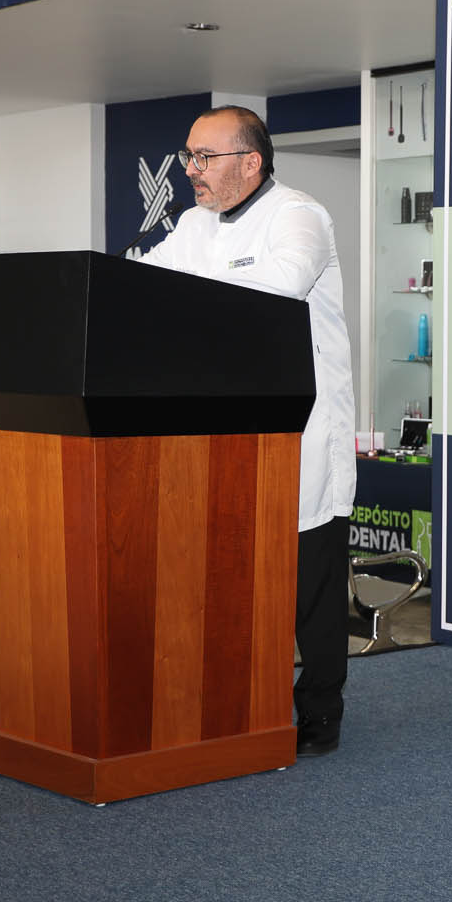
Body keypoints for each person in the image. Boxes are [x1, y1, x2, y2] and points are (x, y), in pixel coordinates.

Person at [140, 105, 357, 758]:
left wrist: (187, 291)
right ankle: (239, 703)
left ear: (251, 161)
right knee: (235, 578)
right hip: (225, 428)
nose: (191, 170)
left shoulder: (298, 215)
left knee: (309, 585)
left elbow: (276, 288)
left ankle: (320, 713)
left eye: (204, 157)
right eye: (188, 156)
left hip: (303, 432)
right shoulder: (192, 224)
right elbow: (144, 283)